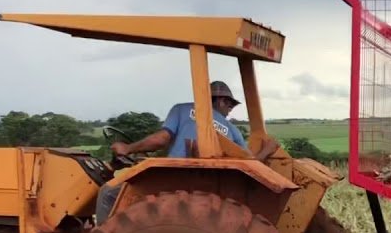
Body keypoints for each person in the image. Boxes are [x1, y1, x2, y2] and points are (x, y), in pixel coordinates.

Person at [96, 81, 279, 222]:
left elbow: (161, 139)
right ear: (220, 100)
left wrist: (128, 148)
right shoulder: (232, 130)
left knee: (108, 192)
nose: (230, 109)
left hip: (173, 179)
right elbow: (251, 164)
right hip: (209, 187)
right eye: (229, 104)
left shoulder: (181, 110)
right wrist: (267, 150)